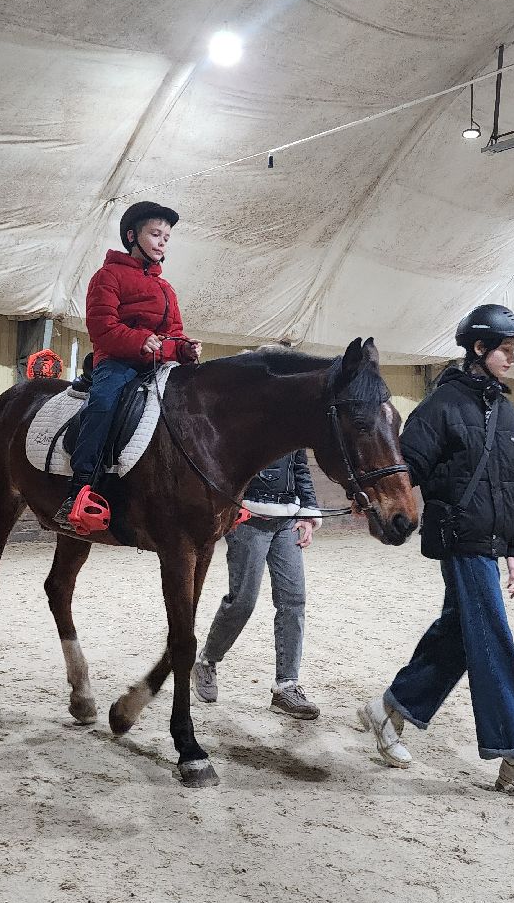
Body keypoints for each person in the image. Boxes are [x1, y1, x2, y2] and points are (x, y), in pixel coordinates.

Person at [358, 304, 514, 807]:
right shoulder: (440, 408)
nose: (512, 359)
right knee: (493, 639)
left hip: (491, 542)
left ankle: (391, 708)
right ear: (479, 349)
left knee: (459, 632)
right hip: (460, 540)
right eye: (506, 349)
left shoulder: (508, 409)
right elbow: (408, 472)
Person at [53, 201, 202, 529]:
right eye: (155, 234)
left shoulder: (166, 288)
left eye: (167, 237)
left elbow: (173, 334)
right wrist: (138, 341)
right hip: (117, 361)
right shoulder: (107, 276)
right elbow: (102, 327)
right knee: (103, 404)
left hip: (158, 363)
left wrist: (185, 349)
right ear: (132, 235)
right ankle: (80, 487)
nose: (162, 242)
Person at [192, 448, 323, 719]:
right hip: (248, 517)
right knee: (243, 600)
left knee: (293, 600)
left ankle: (287, 686)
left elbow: (300, 466)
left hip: (287, 519)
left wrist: (308, 512)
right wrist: (229, 503)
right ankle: (207, 661)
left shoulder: (294, 415)